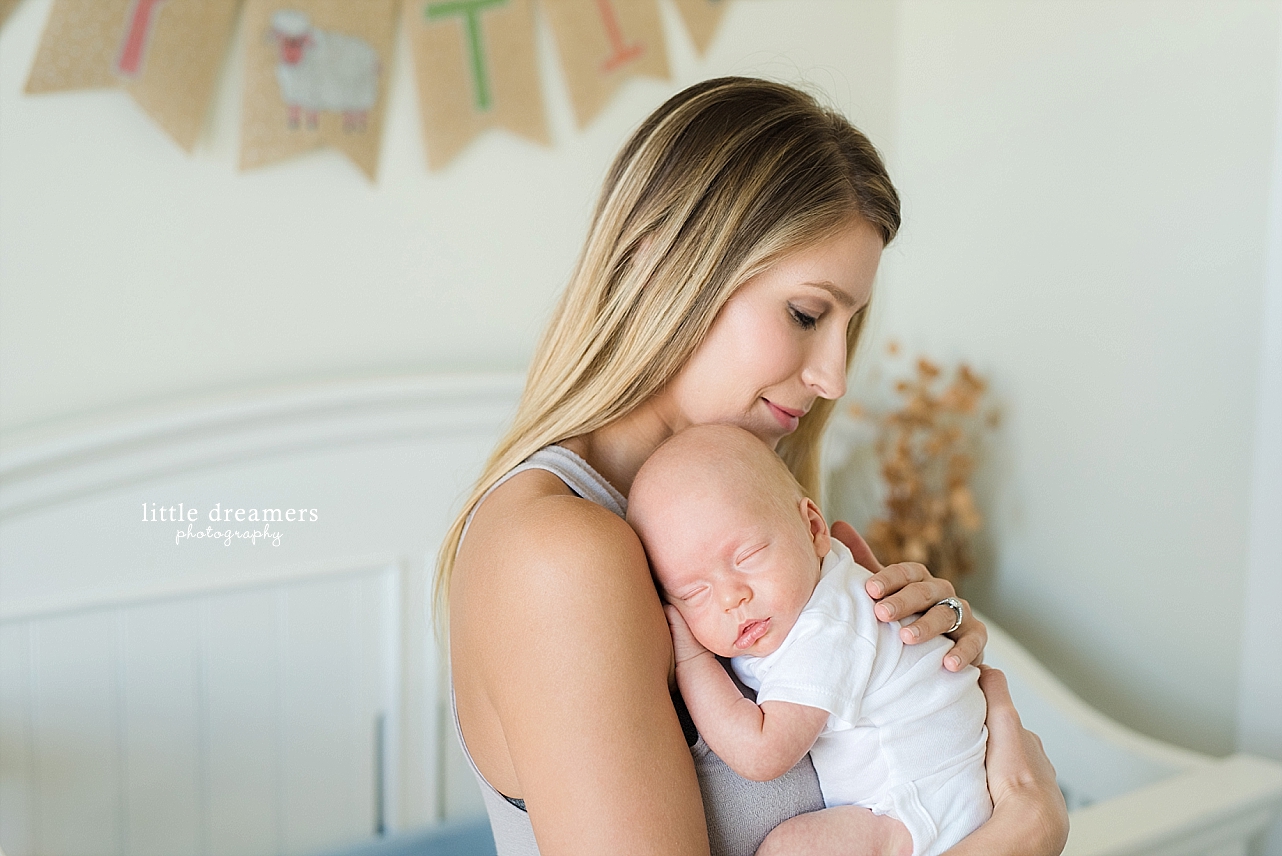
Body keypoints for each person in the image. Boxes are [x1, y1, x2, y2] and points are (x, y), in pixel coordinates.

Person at [438, 77, 1069, 856]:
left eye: (849, 323)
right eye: (806, 314)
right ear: (663, 263)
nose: (834, 376)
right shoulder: (560, 556)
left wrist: (908, 679)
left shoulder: (750, 518)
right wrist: (1021, 837)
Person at [628, 423, 992, 856]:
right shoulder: (812, 586)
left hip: (922, 808)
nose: (731, 597)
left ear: (814, 528)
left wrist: (692, 661)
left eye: (747, 557)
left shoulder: (828, 625)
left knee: (789, 849)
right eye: (693, 593)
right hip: (935, 793)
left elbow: (762, 752)